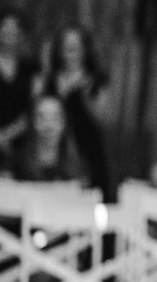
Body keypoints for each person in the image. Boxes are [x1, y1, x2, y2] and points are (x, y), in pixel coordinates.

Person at [37, 24, 113, 199]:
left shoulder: (96, 82)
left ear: (85, 49)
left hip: (87, 153)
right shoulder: (47, 81)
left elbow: (103, 121)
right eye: (66, 44)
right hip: (52, 154)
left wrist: (84, 96)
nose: (71, 50)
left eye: (76, 45)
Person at [6, 94, 92, 184]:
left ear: (65, 123)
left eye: (55, 118)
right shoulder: (14, 165)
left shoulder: (79, 167)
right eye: (41, 117)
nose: (49, 125)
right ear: (32, 122)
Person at [0, 9, 38, 170]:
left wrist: (5, 136)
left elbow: (34, 106)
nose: (10, 31)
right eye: (5, 26)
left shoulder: (32, 68)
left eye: (15, 27)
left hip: (21, 145)